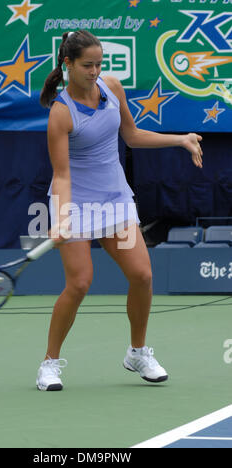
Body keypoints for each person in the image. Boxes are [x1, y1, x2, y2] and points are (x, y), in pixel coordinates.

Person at [36, 30, 203, 391]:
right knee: (79, 283)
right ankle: (49, 363)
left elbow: (132, 136)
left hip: (114, 200)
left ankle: (138, 352)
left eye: (99, 63)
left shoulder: (112, 87)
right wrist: (62, 219)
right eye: (87, 65)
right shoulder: (61, 114)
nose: (95, 71)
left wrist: (180, 139)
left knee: (142, 275)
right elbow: (62, 176)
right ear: (67, 64)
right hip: (77, 203)